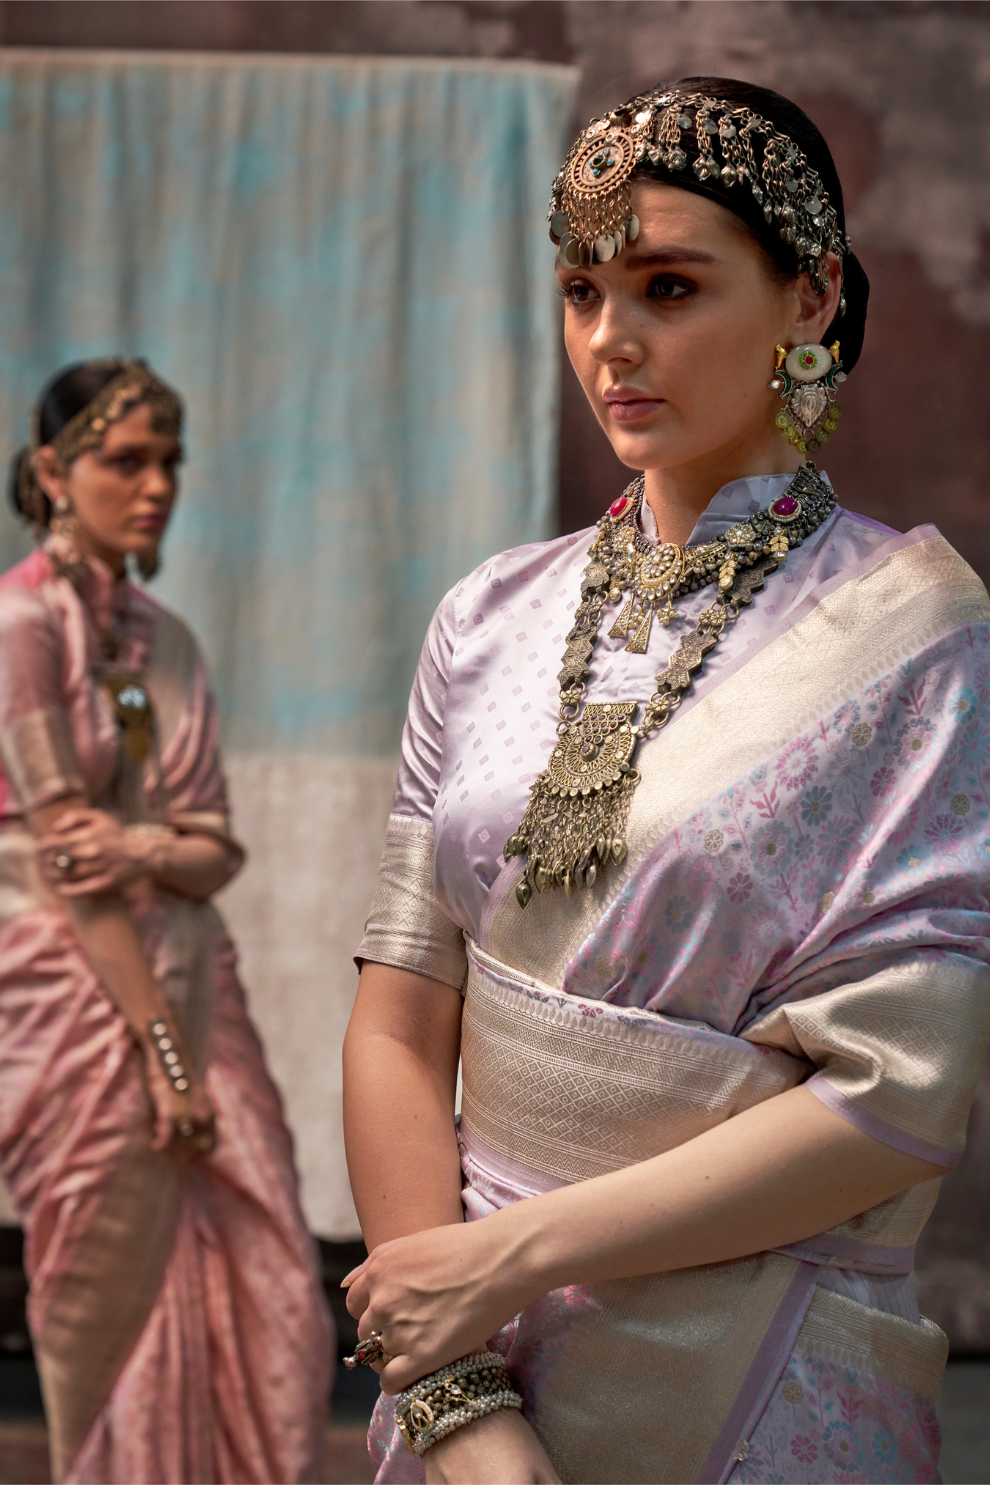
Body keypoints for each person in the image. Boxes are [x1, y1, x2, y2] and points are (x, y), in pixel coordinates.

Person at [341, 78, 990, 1485]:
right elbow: (399, 1020)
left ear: (809, 300)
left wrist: (503, 1258)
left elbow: (894, 1096)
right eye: (582, 290)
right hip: (462, 1369)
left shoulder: (913, 634)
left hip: (762, 1387)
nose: (609, 342)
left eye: (669, 285)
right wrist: (457, 1402)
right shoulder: (488, 615)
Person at [0, 359, 332, 1483]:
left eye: (170, 464)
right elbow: (67, 868)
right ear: (53, 473)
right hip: (77, 991)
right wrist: (164, 1061)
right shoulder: (20, 626)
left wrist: (143, 844)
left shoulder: (165, 640)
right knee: (101, 1291)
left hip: (198, 975)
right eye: (125, 461)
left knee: (276, 1272)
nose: (156, 488)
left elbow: (210, 849)